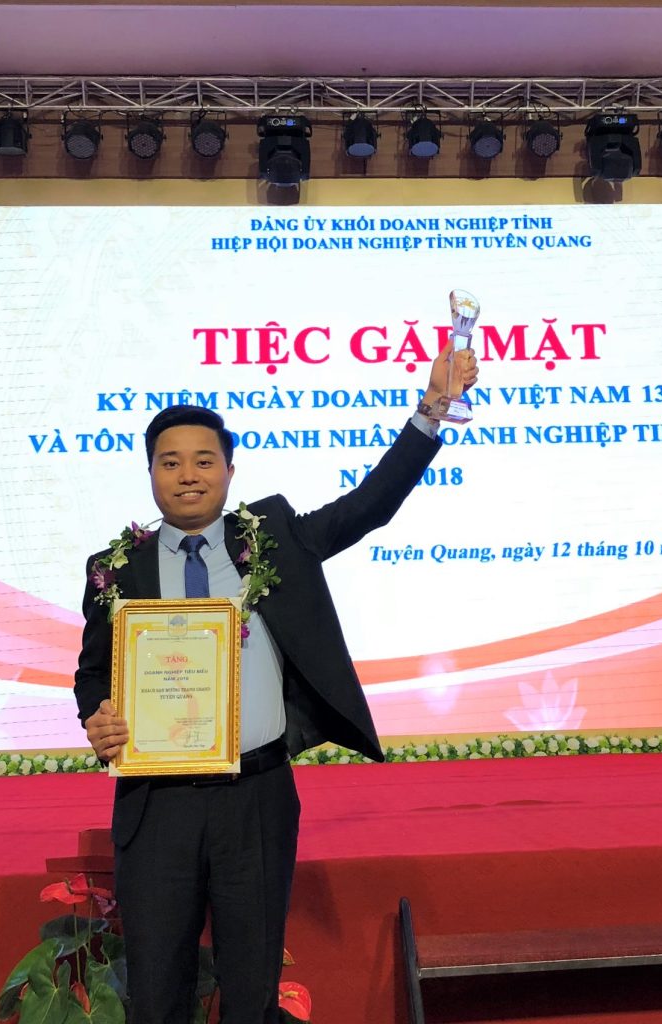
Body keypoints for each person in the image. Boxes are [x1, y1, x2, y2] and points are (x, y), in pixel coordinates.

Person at [74, 343, 478, 1024]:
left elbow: (367, 506)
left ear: (230, 470)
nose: (188, 475)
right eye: (170, 463)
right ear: (150, 474)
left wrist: (431, 410)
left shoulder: (270, 539)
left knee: (252, 993)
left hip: (255, 798)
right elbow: (92, 671)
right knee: (157, 994)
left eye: (204, 461)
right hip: (156, 805)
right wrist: (98, 716)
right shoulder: (116, 568)